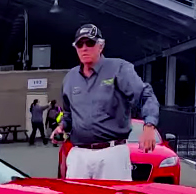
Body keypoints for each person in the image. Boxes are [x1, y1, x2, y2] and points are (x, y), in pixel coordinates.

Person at [50, 24, 160, 181]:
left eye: (90, 43)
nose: (84, 48)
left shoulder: (119, 68)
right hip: (79, 155)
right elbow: (69, 115)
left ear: (100, 46)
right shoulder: (70, 78)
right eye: (80, 44)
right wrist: (61, 128)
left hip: (112, 154)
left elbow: (144, 95)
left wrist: (149, 126)